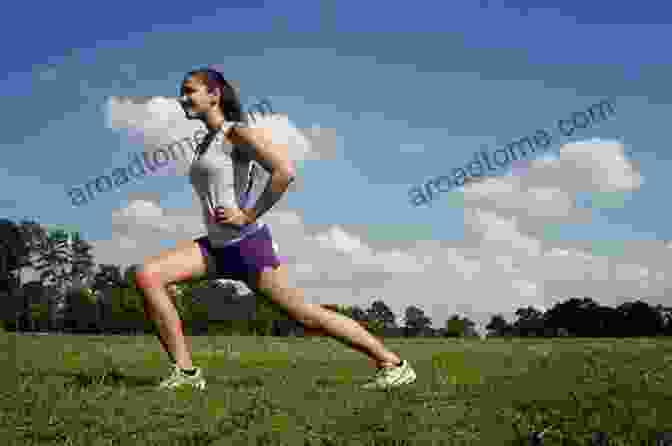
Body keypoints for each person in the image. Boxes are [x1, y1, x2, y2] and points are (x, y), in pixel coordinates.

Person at [135, 67, 416, 391]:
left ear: (214, 95)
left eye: (190, 90)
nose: (182, 97)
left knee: (306, 317)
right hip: (216, 246)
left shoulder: (235, 134)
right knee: (148, 275)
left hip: (245, 245)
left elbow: (283, 171)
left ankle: (392, 363)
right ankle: (185, 373)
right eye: (181, 91)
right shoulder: (205, 142)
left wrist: (248, 215)